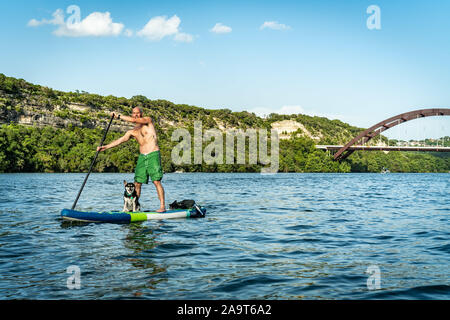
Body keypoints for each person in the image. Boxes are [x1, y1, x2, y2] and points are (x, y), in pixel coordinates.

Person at [97, 107, 166, 212]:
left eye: (137, 113)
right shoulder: (132, 131)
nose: (135, 115)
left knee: (156, 181)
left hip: (153, 154)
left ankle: (162, 206)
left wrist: (118, 116)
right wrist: (105, 147)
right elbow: (121, 140)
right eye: (134, 113)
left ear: (141, 114)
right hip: (142, 157)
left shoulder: (148, 121)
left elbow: (134, 120)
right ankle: (135, 207)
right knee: (137, 183)